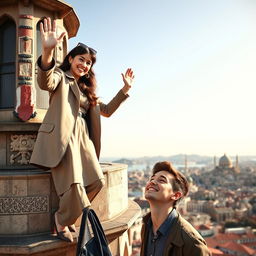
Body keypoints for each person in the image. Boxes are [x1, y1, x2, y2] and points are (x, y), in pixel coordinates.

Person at [30, 17, 135, 243]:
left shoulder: (87, 90)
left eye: (89, 63)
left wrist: (124, 90)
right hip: (63, 136)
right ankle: (62, 220)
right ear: (70, 59)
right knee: (75, 184)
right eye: (81, 59)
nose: (85, 65)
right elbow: (45, 81)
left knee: (97, 181)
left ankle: (66, 216)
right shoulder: (62, 77)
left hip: (83, 140)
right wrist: (47, 53)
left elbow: (105, 110)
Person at [140, 161, 212, 256]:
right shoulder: (146, 228)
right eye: (151, 179)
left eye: (161, 180)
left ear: (176, 195)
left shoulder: (192, 243)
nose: (152, 182)